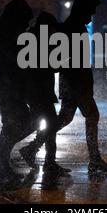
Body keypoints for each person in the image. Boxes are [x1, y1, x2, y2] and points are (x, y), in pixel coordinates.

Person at [20, 0, 107, 173]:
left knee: (63, 119)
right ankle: (94, 160)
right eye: (90, 12)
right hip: (76, 82)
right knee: (92, 115)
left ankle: (32, 148)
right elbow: (69, 60)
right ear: (83, 10)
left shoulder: (71, 27)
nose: (91, 17)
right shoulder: (74, 28)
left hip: (72, 82)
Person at [0, 0, 34, 184]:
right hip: (5, 84)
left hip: (7, 83)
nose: (26, 24)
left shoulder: (4, 32)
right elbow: (9, 60)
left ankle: (0, 157)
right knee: (20, 121)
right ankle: (0, 158)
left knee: (17, 122)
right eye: (25, 20)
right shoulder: (6, 35)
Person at [20, 11, 71, 176]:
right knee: (50, 124)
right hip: (39, 90)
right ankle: (40, 156)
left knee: (46, 124)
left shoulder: (32, 39)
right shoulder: (41, 41)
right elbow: (54, 66)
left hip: (36, 90)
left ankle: (35, 152)